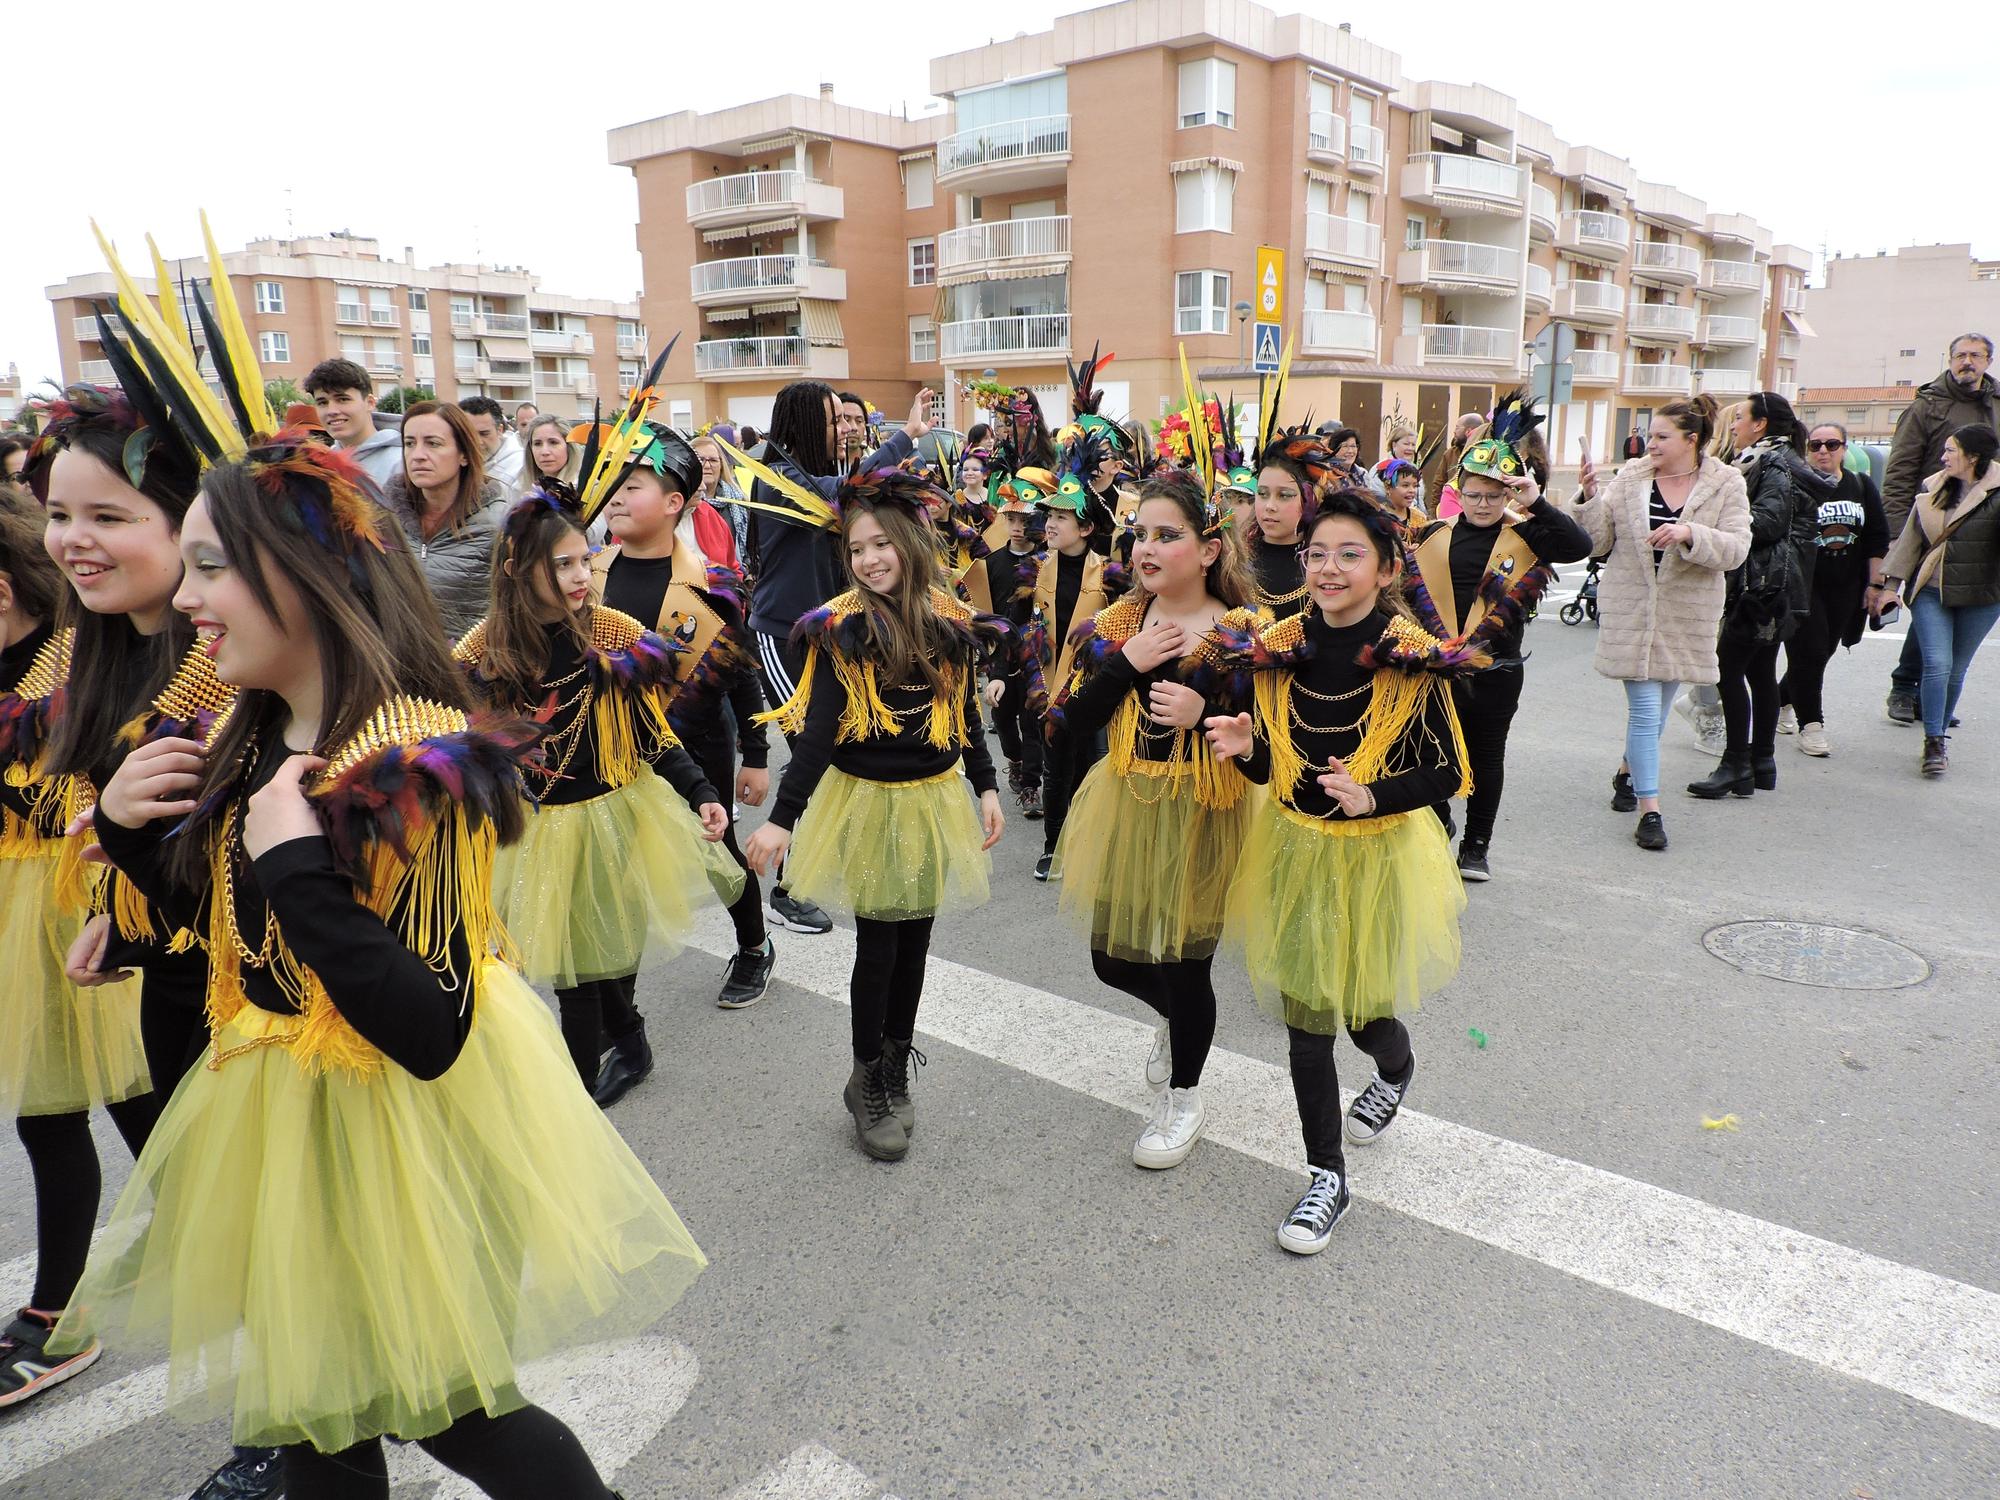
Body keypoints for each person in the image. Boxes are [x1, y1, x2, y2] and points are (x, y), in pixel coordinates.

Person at [58, 433, 706, 1498]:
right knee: (316, 1409)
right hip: (281, 1113)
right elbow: (235, 921)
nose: (185, 598)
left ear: (306, 580)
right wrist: (131, 836)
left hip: (393, 1123)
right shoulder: (245, 727)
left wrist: (304, 868)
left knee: (451, 1408)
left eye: (213, 565)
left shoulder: (417, 758)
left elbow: (429, 1027)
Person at [1205, 489, 1475, 1253]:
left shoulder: (1408, 656)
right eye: (1317, 553)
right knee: (1305, 1020)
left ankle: (1395, 1065)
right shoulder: (1278, 644)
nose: (1328, 568)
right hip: (1293, 848)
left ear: (1387, 567)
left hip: (1378, 854)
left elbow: (1449, 772)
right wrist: (1242, 743)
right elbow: (1275, 768)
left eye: (1349, 554)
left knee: (1363, 1014)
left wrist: (1372, 795)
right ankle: (1326, 1176)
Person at [743, 469, 1004, 1162]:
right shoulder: (844, 630)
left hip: (930, 801)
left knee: (915, 944)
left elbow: (966, 716)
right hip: (866, 804)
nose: (869, 559)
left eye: (882, 544)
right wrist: (781, 818)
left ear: (914, 544)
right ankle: (865, 1079)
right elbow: (819, 733)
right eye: (857, 549)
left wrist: (985, 785)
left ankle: (893, 1066)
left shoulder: (949, 622)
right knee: (879, 947)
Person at [459, 487, 741, 1106]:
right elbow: (451, 736)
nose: (582, 574)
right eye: (562, 564)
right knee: (576, 965)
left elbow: (649, 731)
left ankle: (583, 1092)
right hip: (535, 824)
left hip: (612, 812)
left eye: (585, 559)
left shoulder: (612, 631)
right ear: (514, 571)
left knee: (594, 958)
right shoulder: (485, 651)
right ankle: (627, 1046)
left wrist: (699, 790)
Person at [1049, 471, 1260, 1171]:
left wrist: (1206, 719)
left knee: (1184, 958)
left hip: (1204, 807)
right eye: (1141, 533)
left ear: (1206, 550)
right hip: (1128, 799)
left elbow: (1267, 743)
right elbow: (1067, 728)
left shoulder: (1239, 633)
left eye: (1168, 535)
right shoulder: (1118, 623)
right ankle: (1177, 1020)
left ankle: (1185, 1096)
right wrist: (1123, 667)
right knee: (1111, 958)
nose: (1148, 547)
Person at [0, 482, 154, 1410]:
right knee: (45, 1114)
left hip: (82, 891)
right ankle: (58, 1315)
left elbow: (81, 800)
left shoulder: (70, 658)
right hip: (13, 909)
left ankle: (264, 1292)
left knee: (151, 1112)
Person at [732, 382, 932, 936]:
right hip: (781, 636)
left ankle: (805, 870)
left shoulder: (801, 472)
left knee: (832, 748)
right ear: (800, 421)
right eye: (829, 418)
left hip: (823, 633)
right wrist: (903, 439)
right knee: (811, 754)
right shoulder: (777, 477)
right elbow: (836, 493)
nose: (839, 427)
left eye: (844, 418)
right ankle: (788, 889)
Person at [595, 423, 777, 1013]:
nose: (617, 495)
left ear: (676, 503)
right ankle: (620, 1009)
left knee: (717, 855)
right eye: (614, 483)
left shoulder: (708, 587)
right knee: (615, 868)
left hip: (695, 745)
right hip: (608, 750)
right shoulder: (584, 575)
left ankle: (753, 945)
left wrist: (756, 757)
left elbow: (741, 673)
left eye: (635, 485)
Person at [1408, 395, 1593, 879]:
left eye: (1495, 494)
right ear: (1458, 491)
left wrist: (1534, 500)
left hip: (1497, 669)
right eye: (1475, 494)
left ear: (1508, 495)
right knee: (1430, 752)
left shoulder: (1528, 533)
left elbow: (1580, 545)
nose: (1485, 504)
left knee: (1487, 757)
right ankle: (1440, 819)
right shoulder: (1434, 534)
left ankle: (1477, 846)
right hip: (1439, 667)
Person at [1563, 395, 1750, 850]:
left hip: (1688, 613)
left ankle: (1627, 774)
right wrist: (1589, 497)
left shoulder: (1726, 482)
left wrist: (1690, 533)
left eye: (1661, 437)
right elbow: (1599, 541)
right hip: (1632, 608)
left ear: (1692, 440)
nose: (1651, 444)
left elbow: (1736, 548)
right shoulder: (1632, 477)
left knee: (1660, 710)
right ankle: (1651, 811)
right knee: (1646, 712)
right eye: (1649, 436)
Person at [1687, 392, 1829, 799]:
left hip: (1763, 586)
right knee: (1759, 672)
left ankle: (1735, 762)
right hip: (1777, 585)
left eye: (1741, 419)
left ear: (1760, 424)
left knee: (1726, 671)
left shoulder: (1774, 463)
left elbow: (1768, 521)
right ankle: (1762, 761)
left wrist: (1717, 519)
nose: (1733, 426)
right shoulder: (1776, 460)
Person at [1882, 334, 1997, 724]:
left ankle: (1933, 700)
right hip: (1933, 519)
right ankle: (1904, 686)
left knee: (1952, 608)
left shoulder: (1996, 403)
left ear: (1988, 361)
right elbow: (1899, 469)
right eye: (1960, 355)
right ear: (1949, 360)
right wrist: (1898, 529)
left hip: (1983, 520)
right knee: (1929, 602)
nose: (1967, 362)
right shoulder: (1928, 404)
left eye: (1975, 356)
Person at [1875, 424, 2000, 776]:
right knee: (1937, 663)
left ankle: (1939, 732)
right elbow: (1909, 543)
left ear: (1973, 457)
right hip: (1931, 589)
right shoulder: (1934, 489)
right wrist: (1890, 586)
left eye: (1950, 451)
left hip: (1981, 595)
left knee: (1956, 670)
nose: (1943, 457)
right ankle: (1933, 741)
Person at [1024, 460, 1122, 882]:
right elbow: (1017, 626)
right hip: (1046, 685)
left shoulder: (1109, 575)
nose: (1050, 524)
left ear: (1084, 529)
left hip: (1089, 688)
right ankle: (1052, 848)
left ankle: (1086, 844)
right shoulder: (1032, 569)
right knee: (1055, 769)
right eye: (1049, 515)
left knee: (1091, 766)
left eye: (1061, 517)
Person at [1776, 424, 1889, 757]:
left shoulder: (1860, 485)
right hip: (1803, 584)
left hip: (1846, 587)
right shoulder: (1797, 485)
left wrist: (1875, 584)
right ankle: (1812, 726)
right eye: (1815, 445)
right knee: (1808, 654)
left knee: (1820, 655)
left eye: (1831, 444)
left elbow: (1876, 538)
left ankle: (1780, 701)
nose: (1823, 451)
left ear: (1844, 448)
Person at [383, 400, 510, 640]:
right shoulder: (385, 518)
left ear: (463, 454)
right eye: (410, 443)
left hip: (472, 669)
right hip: (400, 667)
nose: (418, 455)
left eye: (433, 444)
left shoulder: (498, 523)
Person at [981, 474, 1047, 819]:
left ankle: (1032, 786)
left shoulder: (1045, 563)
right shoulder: (991, 565)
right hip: (1001, 653)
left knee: (1033, 718)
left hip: (1036, 653)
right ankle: (1017, 761)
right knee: (1003, 717)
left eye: (1025, 520)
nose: (1018, 527)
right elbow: (985, 613)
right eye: (1012, 519)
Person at [302, 357, 401, 492]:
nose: (332, 411)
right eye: (322, 403)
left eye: (343, 399)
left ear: (370, 403)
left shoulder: (402, 462)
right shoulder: (320, 466)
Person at [693, 429, 751, 571]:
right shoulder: (684, 505)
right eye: (700, 460)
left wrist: (747, 569)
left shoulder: (739, 500)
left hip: (735, 578)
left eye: (713, 460)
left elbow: (751, 544)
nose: (707, 466)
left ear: (721, 464)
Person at [459, 395, 525, 498]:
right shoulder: (451, 465)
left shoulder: (522, 465)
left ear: (500, 430)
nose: (477, 442)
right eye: (469, 434)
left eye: (484, 433)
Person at [522, 411, 580, 493]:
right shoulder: (520, 489)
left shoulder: (587, 490)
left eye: (553, 442)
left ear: (569, 446)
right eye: (537, 444)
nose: (545, 452)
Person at [835, 391, 870, 467]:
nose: (853, 428)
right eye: (846, 419)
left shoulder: (877, 461)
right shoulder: (819, 465)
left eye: (859, 421)